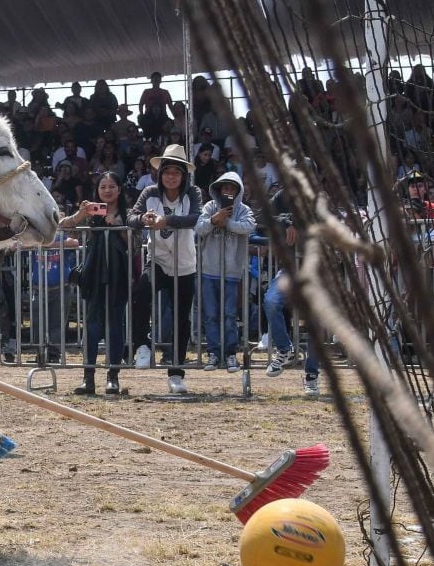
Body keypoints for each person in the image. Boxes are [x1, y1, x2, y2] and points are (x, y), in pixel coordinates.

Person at [127, 144, 201, 395]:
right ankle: (142, 346)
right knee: (141, 294)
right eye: (167, 171)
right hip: (156, 258)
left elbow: (195, 218)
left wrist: (167, 220)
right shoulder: (149, 193)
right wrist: (143, 220)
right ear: (160, 174)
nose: (171, 176)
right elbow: (132, 216)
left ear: (183, 175)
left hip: (184, 264)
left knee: (181, 317)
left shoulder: (193, 193)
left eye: (176, 172)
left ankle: (176, 373)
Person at [59, 172, 142, 395]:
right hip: (94, 274)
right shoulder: (91, 212)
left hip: (118, 275)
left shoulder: (130, 214)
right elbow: (64, 226)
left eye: (112, 186)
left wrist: (118, 226)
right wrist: (80, 213)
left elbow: (136, 246)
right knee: (92, 327)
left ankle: (113, 376)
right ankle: (88, 377)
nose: (107, 190)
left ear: (120, 189)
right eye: (102, 186)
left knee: (115, 325)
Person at [195, 171, 255, 370]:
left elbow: (249, 227)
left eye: (232, 188)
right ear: (218, 190)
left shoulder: (244, 209)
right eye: (224, 188)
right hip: (208, 269)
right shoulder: (209, 206)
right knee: (210, 314)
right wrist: (215, 219)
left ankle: (230, 353)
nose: (228, 191)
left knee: (230, 314)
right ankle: (213, 352)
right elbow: (199, 228)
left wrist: (227, 222)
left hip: (232, 271)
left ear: (238, 191)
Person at [262, 210, 320, 395]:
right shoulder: (282, 196)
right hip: (288, 270)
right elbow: (263, 215)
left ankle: (312, 375)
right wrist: (286, 221)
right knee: (271, 301)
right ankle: (285, 350)